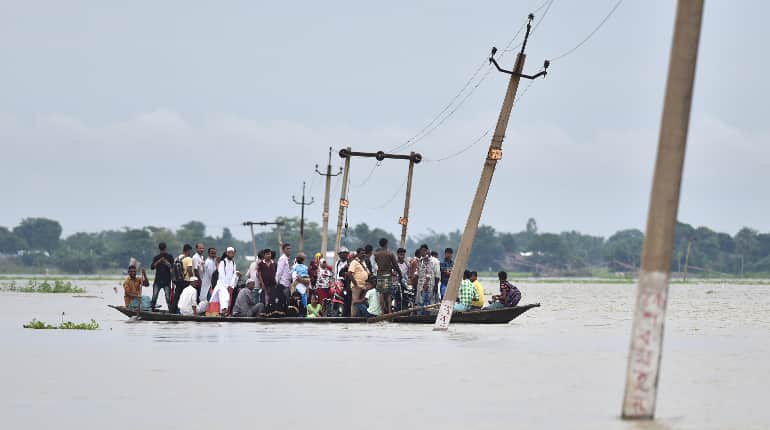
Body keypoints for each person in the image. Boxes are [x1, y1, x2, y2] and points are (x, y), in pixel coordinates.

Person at [209, 247, 239, 315]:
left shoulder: (233, 263)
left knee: (222, 299)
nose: (231, 254)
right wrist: (226, 286)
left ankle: (221, 312)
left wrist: (231, 285)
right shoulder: (223, 262)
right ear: (226, 253)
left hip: (228, 285)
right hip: (222, 284)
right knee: (225, 297)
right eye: (229, 253)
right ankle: (223, 311)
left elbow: (234, 275)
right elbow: (221, 275)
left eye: (232, 253)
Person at [373, 238, 400, 314]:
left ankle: (381, 311)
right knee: (388, 294)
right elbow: (395, 265)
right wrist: (399, 273)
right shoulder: (390, 254)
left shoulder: (376, 254)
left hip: (380, 274)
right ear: (386, 244)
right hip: (387, 274)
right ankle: (389, 311)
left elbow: (377, 262)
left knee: (381, 293)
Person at [150, 242, 174, 310]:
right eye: (162, 250)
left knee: (168, 297)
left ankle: (170, 310)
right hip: (158, 280)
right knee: (154, 296)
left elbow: (172, 267)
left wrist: (165, 262)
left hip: (167, 281)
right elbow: (152, 267)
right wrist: (159, 261)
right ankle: (152, 309)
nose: (163, 251)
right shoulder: (156, 257)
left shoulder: (169, 257)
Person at [171, 244, 194, 313]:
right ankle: (183, 311)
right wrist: (192, 279)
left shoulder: (178, 258)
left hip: (178, 280)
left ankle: (172, 311)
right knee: (185, 297)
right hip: (186, 280)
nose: (190, 253)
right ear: (188, 250)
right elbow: (189, 270)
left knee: (177, 296)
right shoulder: (188, 259)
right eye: (190, 251)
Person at [347, 248, 370, 317]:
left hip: (363, 285)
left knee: (362, 301)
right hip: (356, 286)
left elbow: (367, 272)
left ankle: (360, 315)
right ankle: (353, 316)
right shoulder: (354, 262)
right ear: (358, 254)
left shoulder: (363, 262)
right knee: (354, 302)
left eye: (364, 253)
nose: (363, 254)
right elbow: (350, 273)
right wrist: (355, 284)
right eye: (361, 253)